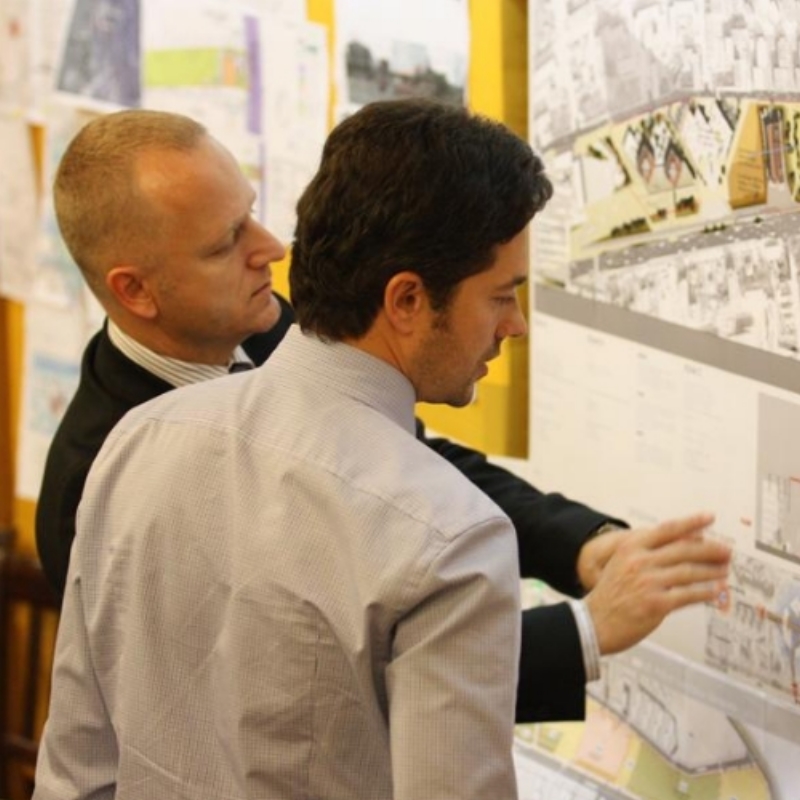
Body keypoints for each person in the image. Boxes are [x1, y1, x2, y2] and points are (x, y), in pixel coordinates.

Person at [34, 107, 729, 729]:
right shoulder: (105, 472)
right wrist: (581, 634)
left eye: (252, 213)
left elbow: (409, 461)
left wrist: (576, 544)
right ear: (135, 291)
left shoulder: (270, 330)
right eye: (225, 243)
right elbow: (297, 688)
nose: (271, 248)